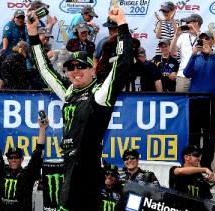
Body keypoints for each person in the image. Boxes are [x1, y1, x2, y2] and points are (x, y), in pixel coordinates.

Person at [27, 7, 133, 210]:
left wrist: (122, 26)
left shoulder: (100, 95)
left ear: (92, 69)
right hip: (69, 167)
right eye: (71, 67)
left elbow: (123, 64)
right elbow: (44, 70)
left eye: (81, 66)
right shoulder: (67, 92)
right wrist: (32, 33)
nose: (76, 71)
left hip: (86, 170)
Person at [184, 31, 215, 169]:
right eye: (201, 38)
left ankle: (206, 166)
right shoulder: (195, 57)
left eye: (207, 38)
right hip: (196, 101)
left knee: (210, 136)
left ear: (212, 41)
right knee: (194, 135)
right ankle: (193, 165)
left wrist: (212, 53)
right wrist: (193, 55)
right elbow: (186, 73)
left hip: (213, 102)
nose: (203, 41)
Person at [0, 113, 48, 210]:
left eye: (16, 157)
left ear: (22, 159)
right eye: (10, 157)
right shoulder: (2, 171)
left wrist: (42, 128)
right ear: (8, 160)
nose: (13, 160)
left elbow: (38, 153)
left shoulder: (27, 174)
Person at [169, 14, 203, 92]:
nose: (186, 25)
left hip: (200, 76)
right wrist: (176, 35)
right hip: (183, 75)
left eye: (188, 22)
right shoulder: (183, 36)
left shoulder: (204, 35)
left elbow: (207, 50)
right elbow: (172, 51)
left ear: (196, 23)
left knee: (199, 102)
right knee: (181, 101)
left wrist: (197, 33)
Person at [0, 9, 28, 82]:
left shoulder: (25, 27)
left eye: (22, 17)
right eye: (18, 17)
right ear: (14, 18)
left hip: (12, 58)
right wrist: (4, 48)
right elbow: (6, 37)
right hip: (2, 55)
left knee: (11, 79)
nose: (20, 19)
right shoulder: (10, 25)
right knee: (4, 79)